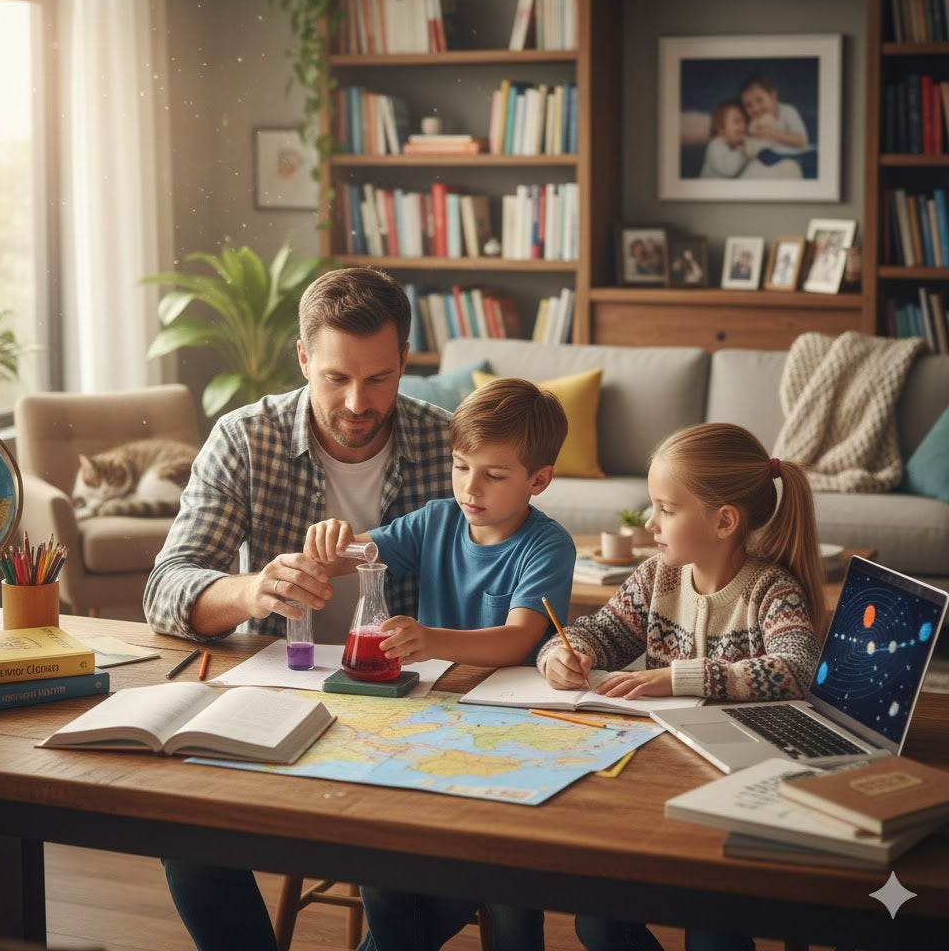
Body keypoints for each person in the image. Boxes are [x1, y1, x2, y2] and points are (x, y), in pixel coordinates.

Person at [143, 265, 455, 951]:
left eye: (378, 378)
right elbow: (165, 587)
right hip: (284, 687)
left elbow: (511, 572)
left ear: (406, 360)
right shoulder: (243, 439)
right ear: (304, 357)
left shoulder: (451, 445)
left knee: (408, 863)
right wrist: (253, 589)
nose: (356, 402)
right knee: (186, 834)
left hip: (413, 705)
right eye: (336, 377)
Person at [304, 376, 576, 951]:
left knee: (505, 886)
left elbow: (519, 640)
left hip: (515, 730)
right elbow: (359, 552)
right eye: (460, 467)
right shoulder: (435, 521)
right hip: (430, 724)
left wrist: (430, 641)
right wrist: (332, 545)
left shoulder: (547, 545)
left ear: (540, 480)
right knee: (383, 864)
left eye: (493, 475)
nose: (469, 488)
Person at [537, 422, 824, 951]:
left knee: (713, 934)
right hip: (657, 777)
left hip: (736, 788)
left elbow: (796, 667)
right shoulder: (656, 579)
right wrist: (561, 654)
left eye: (666, 509)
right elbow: (596, 632)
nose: (650, 523)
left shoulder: (769, 590)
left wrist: (677, 678)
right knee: (596, 924)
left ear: (724, 521)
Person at [739, 72, 809, 179]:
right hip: (762, 163)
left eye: (759, 100)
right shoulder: (754, 122)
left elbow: (802, 141)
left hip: (786, 161)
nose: (756, 109)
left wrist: (773, 135)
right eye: (748, 105)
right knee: (751, 171)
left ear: (772, 95)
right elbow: (751, 146)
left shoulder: (788, 112)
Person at [699, 98, 749, 179]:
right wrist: (741, 151)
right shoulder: (715, 146)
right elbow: (729, 169)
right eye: (737, 121)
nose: (743, 127)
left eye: (745, 122)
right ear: (721, 127)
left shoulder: (730, 146)